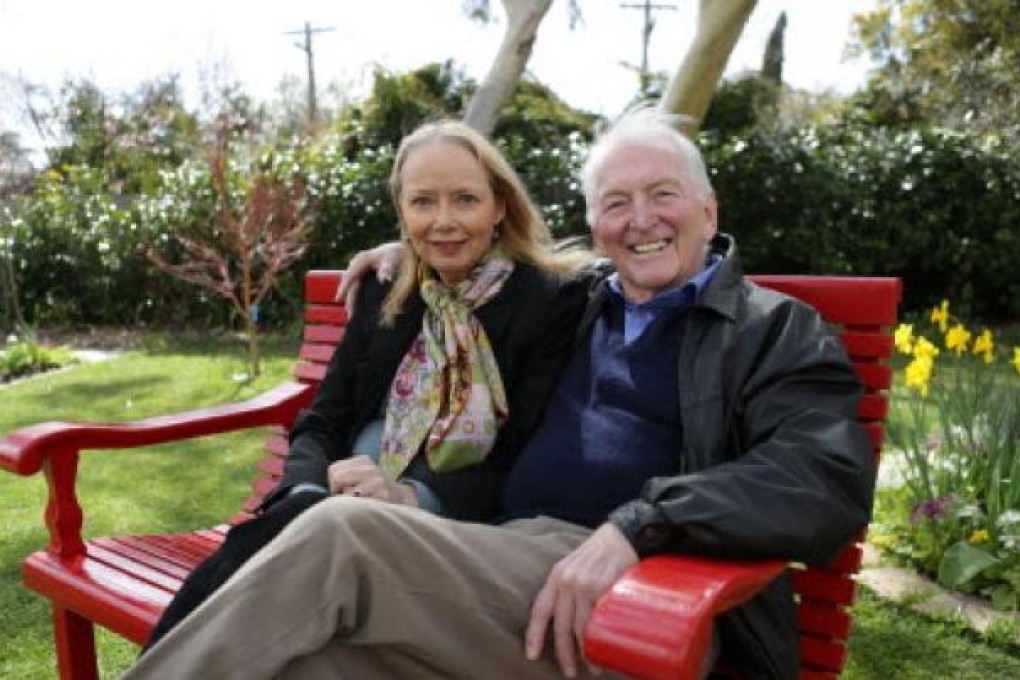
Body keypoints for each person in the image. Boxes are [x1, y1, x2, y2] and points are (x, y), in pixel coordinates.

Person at [125, 107, 874, 679]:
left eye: (663, 195)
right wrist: (409, 250)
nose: (640, 220)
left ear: (709, 211)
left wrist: (640, 525)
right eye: (616, 203)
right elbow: (478, 258)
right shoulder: (578, 301)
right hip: (504, 562)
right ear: (595, 225)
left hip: (648, 598)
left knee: (339, 530)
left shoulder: (773, 329)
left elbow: (824, 478)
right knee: (307, 664)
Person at [142, 119, 590, 649]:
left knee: (282, 559)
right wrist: (307, 491)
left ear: (500, 207)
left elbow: (523, 452)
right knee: (293, 530)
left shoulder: (548, 300)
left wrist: (408, 495)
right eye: (423, 202)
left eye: (465, 200)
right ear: (402, 212)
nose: (443, 221)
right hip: (333, 503)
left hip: (448, 523)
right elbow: (324, 419)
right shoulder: (386, 292)